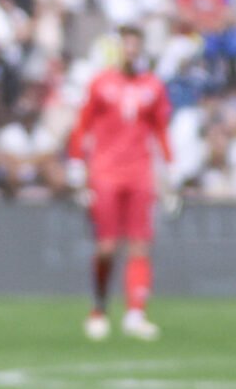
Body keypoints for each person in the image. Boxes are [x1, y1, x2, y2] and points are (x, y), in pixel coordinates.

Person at [67, 24, 174, 340]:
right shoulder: (101, 84)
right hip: (105, 172)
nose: (131, 50)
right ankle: (99, 307)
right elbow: (83, 125)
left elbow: (160, 130)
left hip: (140, 172)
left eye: (135, 44)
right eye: (126, 44)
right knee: (107, 247)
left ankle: (136, 313)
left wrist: (170, 168)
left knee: (140, 244)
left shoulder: (152, 86)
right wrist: (76, 164)